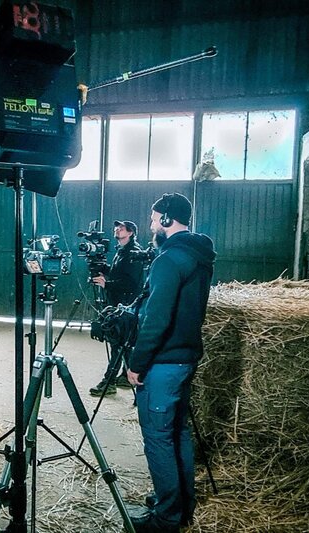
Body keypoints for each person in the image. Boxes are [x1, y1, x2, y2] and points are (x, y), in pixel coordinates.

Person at [126, 193, 215, 533]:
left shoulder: (168, 259)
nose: (151, 225)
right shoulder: (198, 256)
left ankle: (166, 518)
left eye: (153, 219)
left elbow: (156, 318)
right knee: (178, 432)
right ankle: (180, 503)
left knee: (158, 438)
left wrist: (137, 363)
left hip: (163, 362)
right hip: (186, 356)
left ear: (166, 220)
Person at [88, 220, 144, 396]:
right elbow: (117, 272)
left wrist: (107, 285)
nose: (117, 230)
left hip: (126, 304)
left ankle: (108, 382)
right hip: (118, 302)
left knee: (116, 343)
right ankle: (126, 377)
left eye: (121, 228)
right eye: (116, 228)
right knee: (124, 343)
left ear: (131, 232)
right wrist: (101, 267)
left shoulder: (134, 253)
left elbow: (131, 283)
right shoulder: (121, 251)